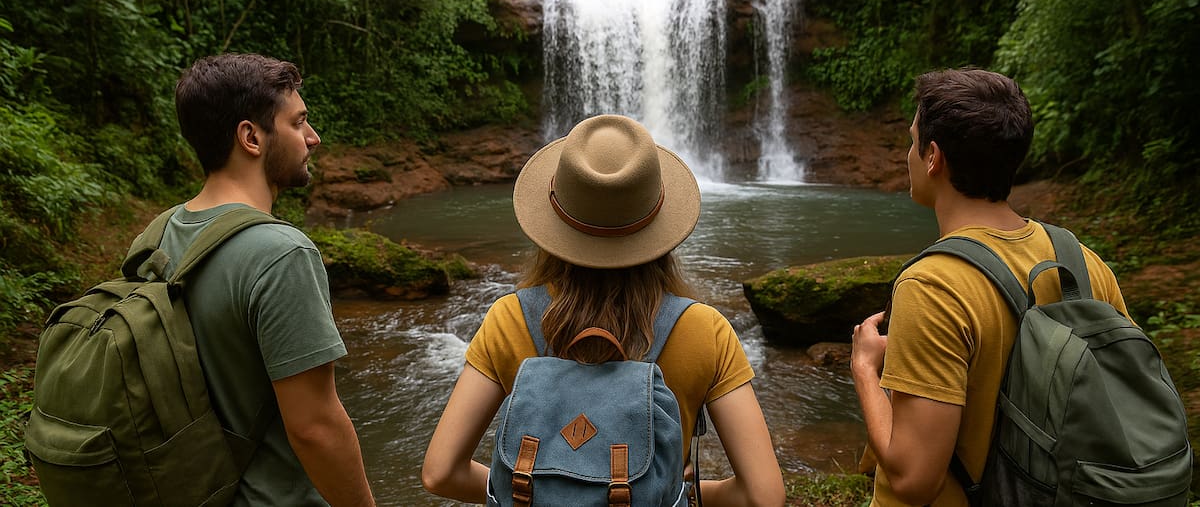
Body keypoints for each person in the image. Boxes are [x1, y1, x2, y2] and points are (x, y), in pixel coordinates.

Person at [422, 114, 786, 506]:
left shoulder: (509, 318)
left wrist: (551, 490)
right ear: (659, 228)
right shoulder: (704, 329)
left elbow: (441, 472)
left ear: (553, 223)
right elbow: (763, 496)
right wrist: (671, 491)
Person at [850, 68, 1131, 506]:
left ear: (933, 157)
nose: (907, 153)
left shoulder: (932, 287)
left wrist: (865, 368)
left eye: (912, 140)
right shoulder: (1081, 262)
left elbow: (913, 481)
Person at [164, 53, 375, 506]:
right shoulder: (282, 254)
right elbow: (315, 427)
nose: (313, 138)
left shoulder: (158, 235)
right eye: (298, 123)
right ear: (251, 137)